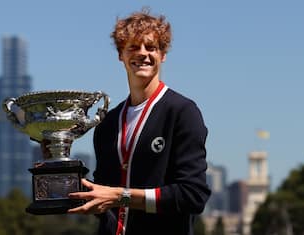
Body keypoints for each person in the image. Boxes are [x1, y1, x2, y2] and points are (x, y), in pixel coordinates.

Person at [67, 9, 211, 235]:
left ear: (163, 54)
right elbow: (102, 201)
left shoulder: (182, 112)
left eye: (151, 47)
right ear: (120, 55)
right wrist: (55, 169)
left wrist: (122, 196)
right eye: (133, 47)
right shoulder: (107, 124)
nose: (142, 53)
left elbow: (193, 196)